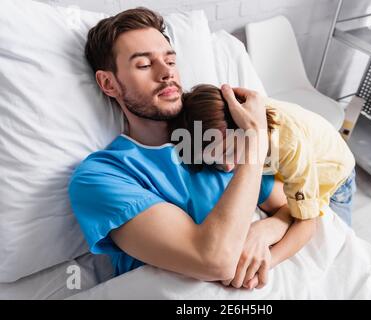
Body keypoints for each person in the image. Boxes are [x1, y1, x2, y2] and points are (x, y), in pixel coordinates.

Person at [69, 7, 300, 290]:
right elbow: (215, 260)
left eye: (170, 60)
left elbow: (298, 211)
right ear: (108, 83)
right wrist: (256, 141)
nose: (166, 72)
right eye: (143, 65)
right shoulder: (101, 176)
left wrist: (263, 232)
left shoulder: (218, 131)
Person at [173, 84, 356, 254]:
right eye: (215, 161)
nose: (227, 166)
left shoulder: (286, 144)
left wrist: (269, 259)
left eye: (232, 151)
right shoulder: (219, 121)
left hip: (335, 175)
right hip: (293, 159)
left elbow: (306, 221)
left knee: (338, 244)